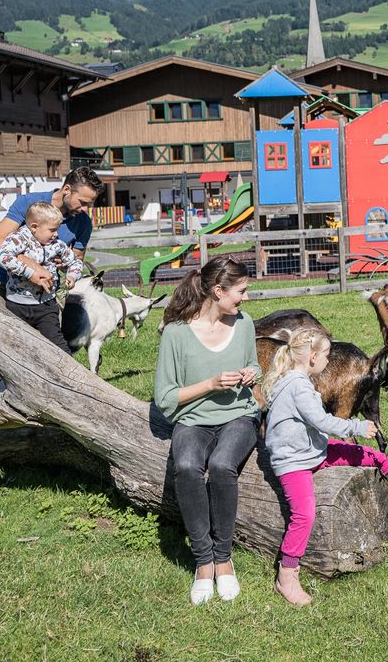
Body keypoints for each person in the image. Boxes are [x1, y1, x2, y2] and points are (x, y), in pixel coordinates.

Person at [262, 328, 388, 606]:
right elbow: (324, 422)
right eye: (326, 354)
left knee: (361, 453)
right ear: (312, 358)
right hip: (293, 462)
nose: (328, 359)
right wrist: (357, 425)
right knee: (304, 514)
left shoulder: (295, 379)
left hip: (311, 450)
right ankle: (287, 575)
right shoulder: (298, 386)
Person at [152, 257, 261, 605]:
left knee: (221, 466)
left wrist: (250, 373)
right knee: (185, 467)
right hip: (192, 419)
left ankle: (224, 557)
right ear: (218, 291)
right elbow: (167, 399)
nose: (245, 298)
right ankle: (203, 561)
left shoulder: (243, 324)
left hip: (240, 416)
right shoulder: (176, 333)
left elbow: (255, 363)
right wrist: (210, 384)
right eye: (240, 292)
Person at [0, 167, 104, 394]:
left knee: (50, 346)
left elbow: (76, 258)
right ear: (67, 190)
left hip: (45, 293)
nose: (86, 209)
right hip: (6, 285)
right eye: (83, 202)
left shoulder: (83, 222)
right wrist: (33, 267)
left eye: (90, 204)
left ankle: (52, 393)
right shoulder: (29, 204)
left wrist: (65, 267)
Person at [0, 201, 83, 355]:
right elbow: (3, 257)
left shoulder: (57, 244)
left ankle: (69, 374)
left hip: (46, 306)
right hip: (17, 305)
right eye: (52, 230)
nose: (56, 234)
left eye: (57, 229)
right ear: (34, 227)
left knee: (57, 345)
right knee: (17, 347)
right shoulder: (18, 239)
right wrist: (30, 273)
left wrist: (72, 274)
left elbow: (75, 261)